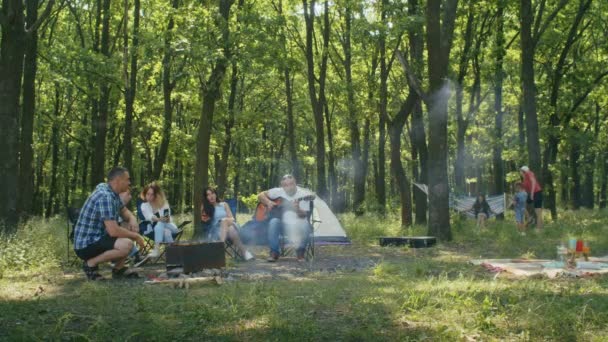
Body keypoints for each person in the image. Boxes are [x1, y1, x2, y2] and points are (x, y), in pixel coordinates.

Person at [73, 167, 146, 280]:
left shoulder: (111, 192)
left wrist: (132, 219)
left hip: (98, 237)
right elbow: (113, 231)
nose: (129, 183)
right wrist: (136, 236)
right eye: (127, 179)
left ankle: (119, 270)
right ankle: (90, 264)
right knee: (127, 244)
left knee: (128, 228)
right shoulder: (105, 197)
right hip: (86, 244)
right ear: (118, 180)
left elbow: (124, 211)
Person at [257, 174, 314, 262]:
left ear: (295, 183)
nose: (289, 187)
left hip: (298, 225)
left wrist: (297, 208)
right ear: (282, 186)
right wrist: (268, 202)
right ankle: (274, 252)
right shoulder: (277, 191)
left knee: (306, 224)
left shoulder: (304, 195)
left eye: (291, 184)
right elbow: (260, 195)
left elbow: (304, 215)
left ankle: (300, 251)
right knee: (274, 221)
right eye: (286, 185)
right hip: (282, 226)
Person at [201, 187, 254, 261]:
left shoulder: (224, 204)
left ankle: (220, 247)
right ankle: (244, 252)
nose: (211, 196)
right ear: (206, 197)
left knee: (225, 221)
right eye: (208, 195)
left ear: (216, 194)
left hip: (230, 223)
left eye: (212, 193)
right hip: (216, 231)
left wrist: (224, 221)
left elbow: (232, 218)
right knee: (231, 230)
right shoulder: (206, 207)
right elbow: (206, 224)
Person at [139, 182, 181, 258]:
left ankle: (157, 250)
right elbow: (149, 216)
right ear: (145, 194)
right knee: (166, 232)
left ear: (156, 195)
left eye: (152, 194)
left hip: (172, 227)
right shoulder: (144, 206)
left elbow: (168, 219)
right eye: (148, 194)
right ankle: (173, 254)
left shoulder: (163, 203)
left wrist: (166, 219)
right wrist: (159, 219)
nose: (149, 196)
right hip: (159, 230)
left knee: (161, 224)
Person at [520, 166, 544, 230]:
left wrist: (532, 193)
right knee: (522, 205)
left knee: (538, 212)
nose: (520, 172)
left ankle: (539, 229)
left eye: (520, 171)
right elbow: (524, 191)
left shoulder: (529, 173)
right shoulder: (524, 181)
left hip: (537, 193)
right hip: (532, 194)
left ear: (523, 171)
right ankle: (529, 218)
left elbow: (533, 182)